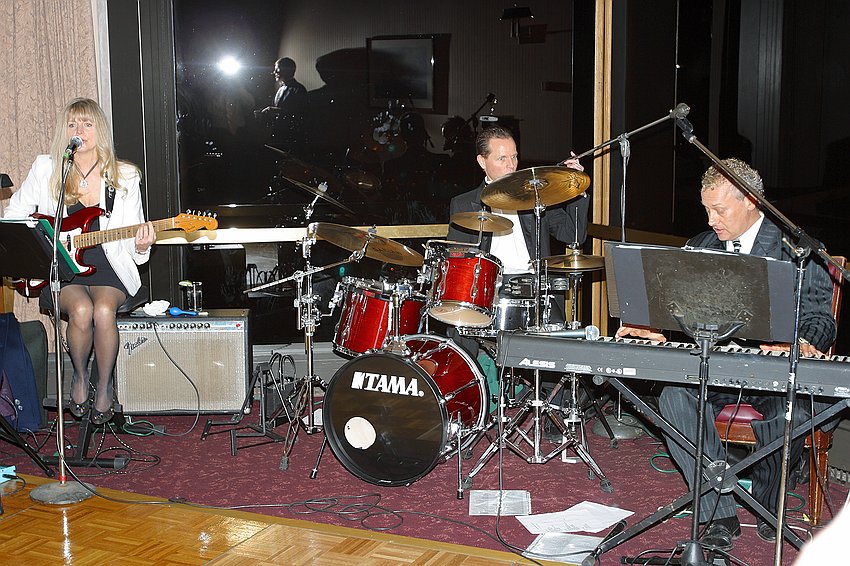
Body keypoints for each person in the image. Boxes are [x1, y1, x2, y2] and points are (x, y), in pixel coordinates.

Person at [616, 158, 837, 550]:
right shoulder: (700, 247)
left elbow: (821, 318)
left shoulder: (798, 250)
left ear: (750, 201)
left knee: (788, 411)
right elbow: (678, 314)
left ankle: (768, 506)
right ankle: (719, 511)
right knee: (673, 397)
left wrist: (799, 342)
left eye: (719, 210)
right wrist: (653, 329)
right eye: (706, 210)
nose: (711, 220)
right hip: (714, 366)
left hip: (772, 372)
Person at [4, 97, 156, 425]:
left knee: (103, 311)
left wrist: (142, 245)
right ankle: (79, 373)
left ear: (100, 130)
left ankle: (105, 385)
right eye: (73, 124)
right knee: (83, 310)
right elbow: (14, 213)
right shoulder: (47, 168)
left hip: (109, 266)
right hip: (63, 266)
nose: (80, 130)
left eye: (87, 124)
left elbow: (134, 247)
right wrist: (43, 237)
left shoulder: (125, 176)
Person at [447, 125, 590, 322]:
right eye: (502, 159)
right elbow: (457, 261)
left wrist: (577, 189)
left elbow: (573, 235)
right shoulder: (464, 204)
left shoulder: (538, 196)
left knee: (559, 333)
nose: (511, 165)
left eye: (514, 157)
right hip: (490, 290)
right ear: (482, 161)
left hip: (535, 289)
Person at [258, 57, 307, 154]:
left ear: (286, 70)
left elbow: (300, 114)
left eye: (277, 69)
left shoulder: (299, 89)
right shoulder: (281, 88)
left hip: (289, 137)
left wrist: (274, 110)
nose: (274, 72)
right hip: (277, 134)